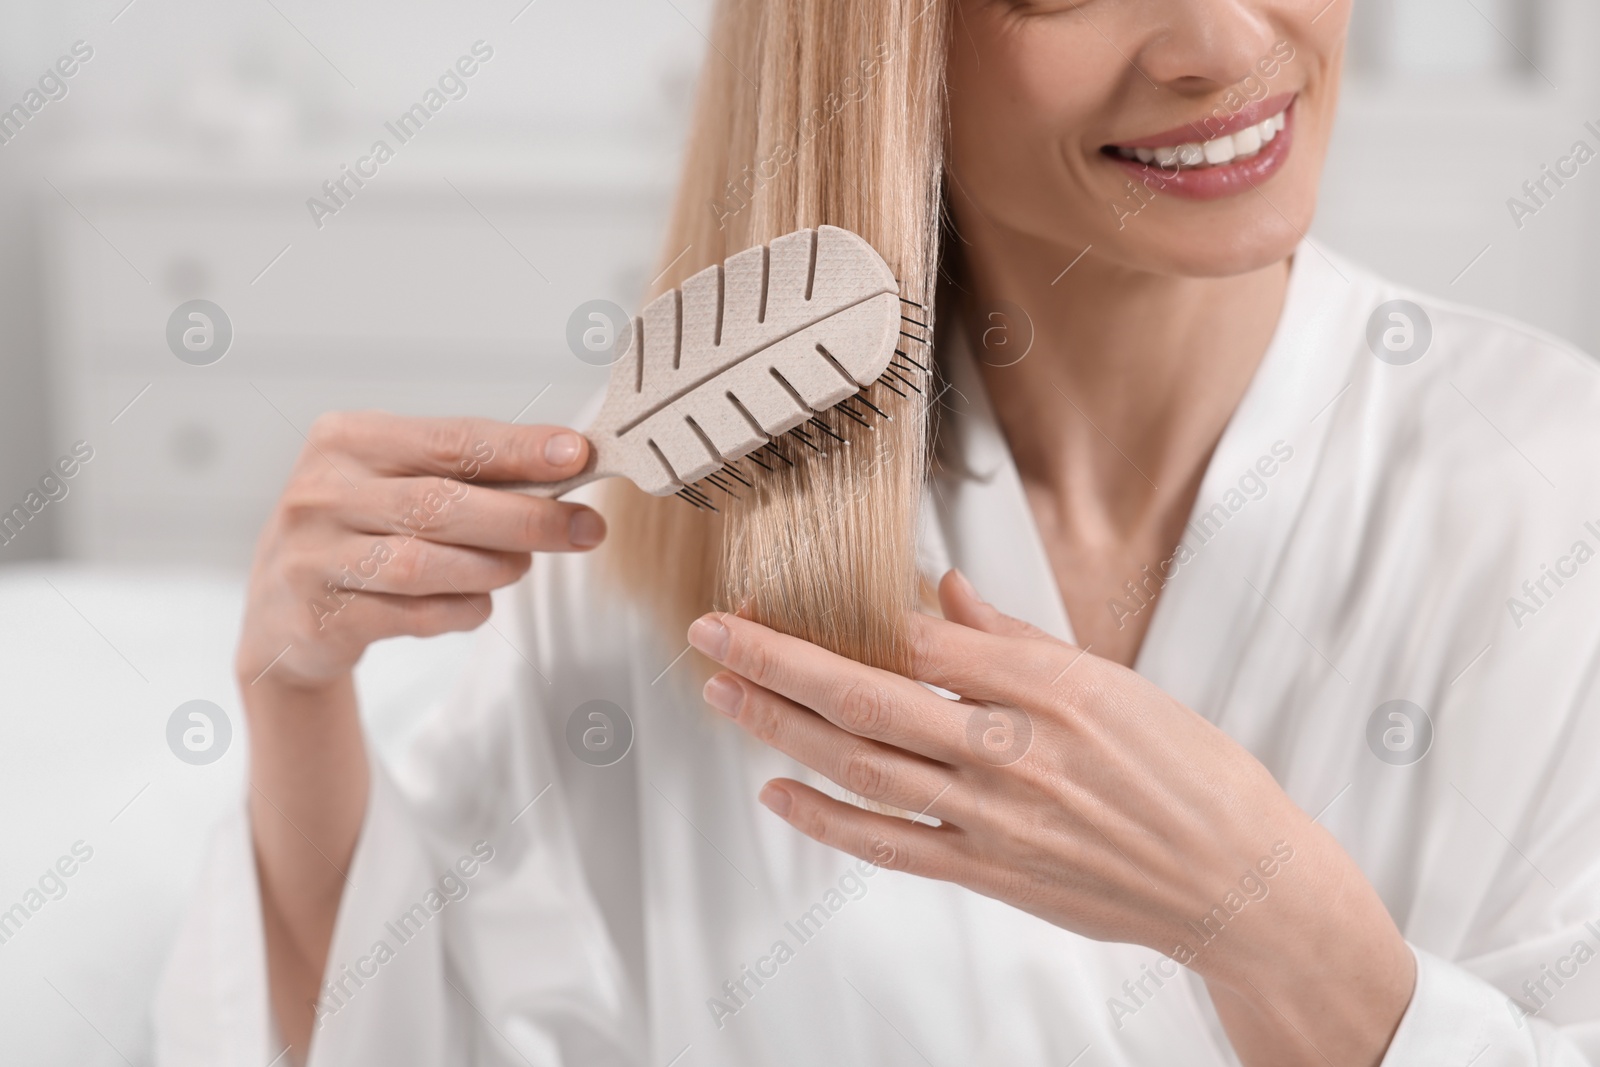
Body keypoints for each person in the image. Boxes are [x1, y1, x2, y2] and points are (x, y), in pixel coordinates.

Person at [156, 0, 1600, 1064]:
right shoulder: (684, 530)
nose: (1222, 43)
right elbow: (420, 1020)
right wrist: (294, 698)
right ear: (879, 40)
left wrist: (1264, 920)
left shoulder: (1546, 491)